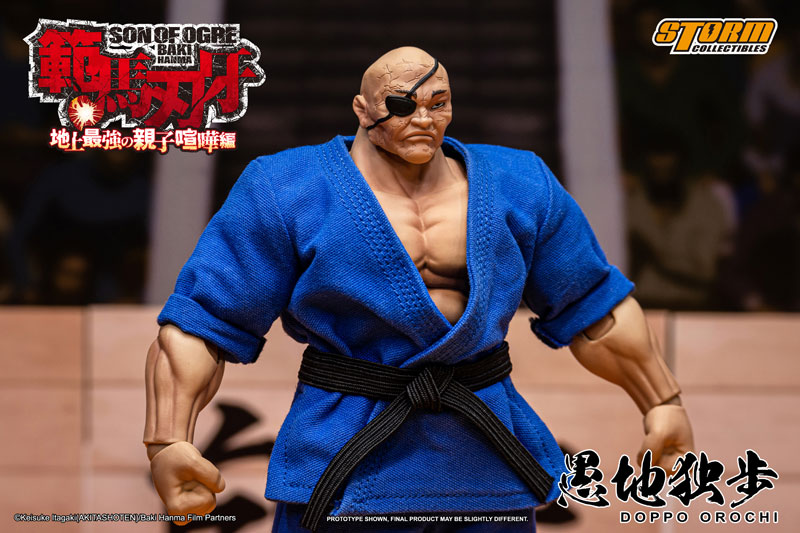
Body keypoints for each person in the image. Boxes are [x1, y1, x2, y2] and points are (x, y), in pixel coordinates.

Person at [144, 47, 693, 532]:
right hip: (346, 448)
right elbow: (202, 322)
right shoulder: (287, 187)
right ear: (363, 110)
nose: (424, 120)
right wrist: (169, 438)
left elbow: (594, 307)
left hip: (482, 451)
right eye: (403, 105)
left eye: (439, 103)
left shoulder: (520, 183)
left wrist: (661, 400)